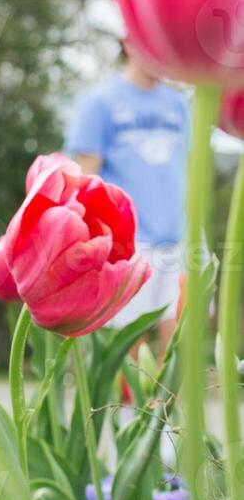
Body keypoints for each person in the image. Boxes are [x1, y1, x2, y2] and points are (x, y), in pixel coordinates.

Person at [65, 39, 189, 347]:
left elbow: (188, 168)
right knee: (127, 343)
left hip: (178, 238)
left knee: (177, 341)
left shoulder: (180, 106)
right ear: (128, 43)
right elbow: (86, 177)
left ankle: (169, 399)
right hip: (129, 243)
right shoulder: (100, 103)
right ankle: (131, 399)